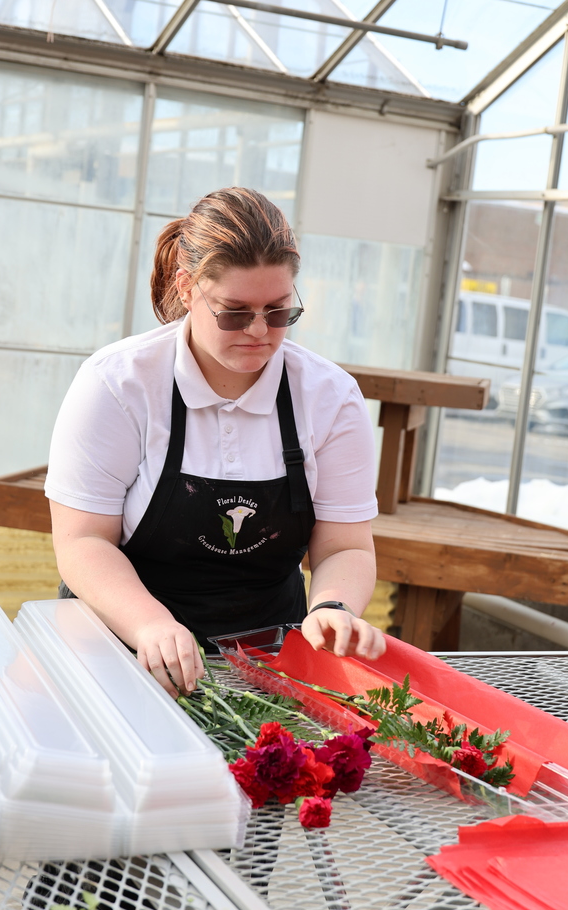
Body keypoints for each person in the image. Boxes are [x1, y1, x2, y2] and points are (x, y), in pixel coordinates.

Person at [45, 187, 385, 699]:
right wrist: (150, 625)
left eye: (278, 311)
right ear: (187, 288)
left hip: (269, 660)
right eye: (234, 311)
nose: (259, 331)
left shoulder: (330, 397)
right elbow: (82, 541)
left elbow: (346, 545)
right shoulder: (118, 384)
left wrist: (333, 607)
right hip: (120, 648)